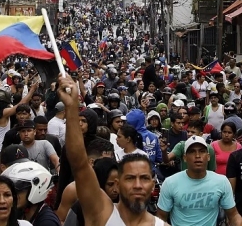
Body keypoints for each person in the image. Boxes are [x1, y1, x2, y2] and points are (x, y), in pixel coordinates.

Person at [58, 72, 166, 226]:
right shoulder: (101, 213)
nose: (137, 185)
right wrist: (71, 107)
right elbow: (79, 164)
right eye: (130, 178)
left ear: (152, 184)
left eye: (144, 178)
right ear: (118, 183)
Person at [157, 135, 241, 226]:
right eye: (192, 152)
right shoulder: (170, 183)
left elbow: (233, 215)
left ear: (208, 157)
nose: (197, 156)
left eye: (202, 151)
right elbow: (160, 218)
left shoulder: (222, 182)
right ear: (185, 158)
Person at [2, 161, 59, 226]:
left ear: (36, 188)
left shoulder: (48, 223)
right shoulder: (20, 213)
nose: (13, 195)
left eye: (18, 190)